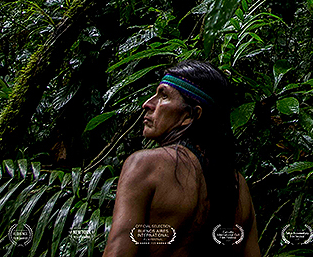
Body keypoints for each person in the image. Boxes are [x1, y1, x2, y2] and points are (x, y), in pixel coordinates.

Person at [102, 59, 260, 256]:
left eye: (164, 96)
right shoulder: (238, 185)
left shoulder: (144, 166)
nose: (147, 104)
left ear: (189, 116)